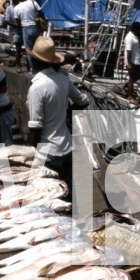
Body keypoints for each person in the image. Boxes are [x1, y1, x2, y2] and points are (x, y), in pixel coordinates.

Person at [27, 36, 88, 187]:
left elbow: (35, 127)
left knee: (48, 192)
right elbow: (83, 101)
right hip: (67, 147)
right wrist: (67, 113)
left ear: (35, 61)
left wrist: (29, 150)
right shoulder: (63, 80)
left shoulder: (37, 87)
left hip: (48, 151)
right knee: (67, 190)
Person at [14, 0, 44, 76]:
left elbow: (18, 21)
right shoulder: (33, 2)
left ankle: (33, 71)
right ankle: (39, 69)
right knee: (37, 49)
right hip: (35, 27)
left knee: (29, 51)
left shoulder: (17, 7)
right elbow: (41, 13)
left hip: (25, 28)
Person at [119, 22, 140, 103]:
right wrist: (129, 64)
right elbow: (128, 51)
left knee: (138, 77)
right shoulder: (130, 38)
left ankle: (124, 84)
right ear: (135, 30)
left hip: (137, 61)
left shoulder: (135, 36)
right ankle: (130, 96)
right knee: (132, 79)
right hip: (132, 62)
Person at [5, 0, 25, 73]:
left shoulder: (22, 6)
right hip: (16, 30)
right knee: (18, 49)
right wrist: (17, 25)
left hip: (24, 29)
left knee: (27, 48)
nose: (15, 0)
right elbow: (7, 21)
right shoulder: (9, 8)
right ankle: (18, 66)